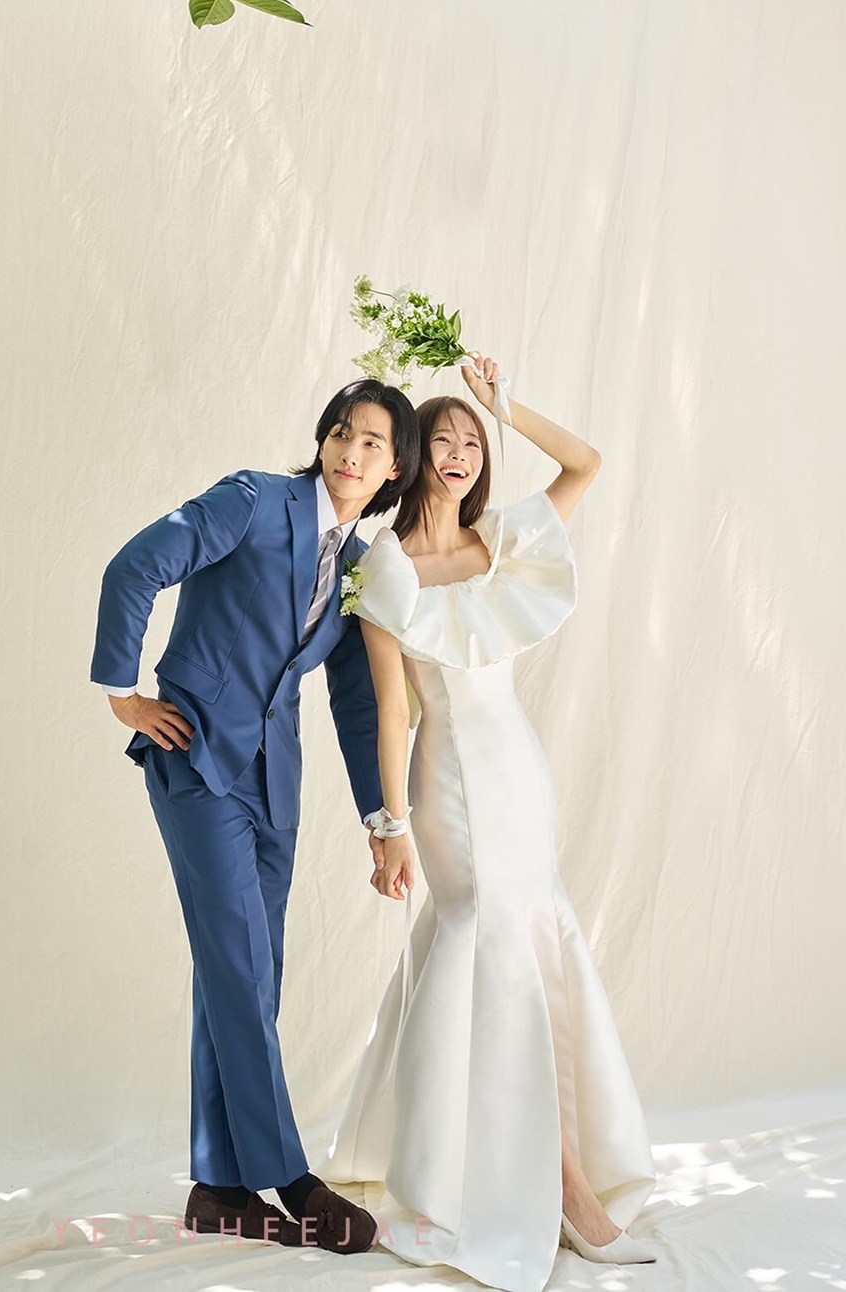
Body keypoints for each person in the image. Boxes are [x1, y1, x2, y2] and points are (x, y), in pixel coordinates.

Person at [314, 353, 658, 1290]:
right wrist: (388, 824)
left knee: (530, 949)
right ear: (414, 454)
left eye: (474, 440)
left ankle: (496, 1170)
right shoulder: (383, 567)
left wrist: (506, 404)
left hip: (519, 775)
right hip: (449, 784)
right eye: (446, 437)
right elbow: (392, 709)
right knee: (487, 952)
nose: (462, 452)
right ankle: (567, 1195)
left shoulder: (503, 540)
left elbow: (585, 463)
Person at [90, 378, 420, 1253]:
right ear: (324, 439)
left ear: (394, 468)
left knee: (244, 975)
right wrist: (124, 693)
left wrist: (384, 824)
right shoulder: (252, 499)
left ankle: (219, 1188)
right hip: (197, 761)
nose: (351, 452)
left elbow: (358, 706)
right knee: (239, 968)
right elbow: (136, 566)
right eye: (342, 433)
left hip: (275, 785)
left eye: (373, 443)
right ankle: (292, 1178)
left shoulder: (358, 566)